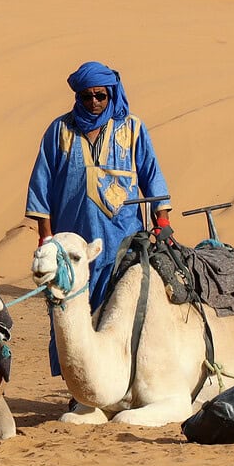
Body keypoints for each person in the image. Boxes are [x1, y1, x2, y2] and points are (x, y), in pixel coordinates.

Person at [26, 61, 171, 376]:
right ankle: (79, 382)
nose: (93, 102)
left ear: (111, 95)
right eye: (87, 96)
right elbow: (41, 184)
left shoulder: (132, 128)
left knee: (121, 311)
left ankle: (123, 375)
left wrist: (162, 220)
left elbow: (152, 175)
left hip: (122, 241)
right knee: (70, 312)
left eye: (100, 96)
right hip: (73, 245)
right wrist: (45, 236)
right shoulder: (59, 130)